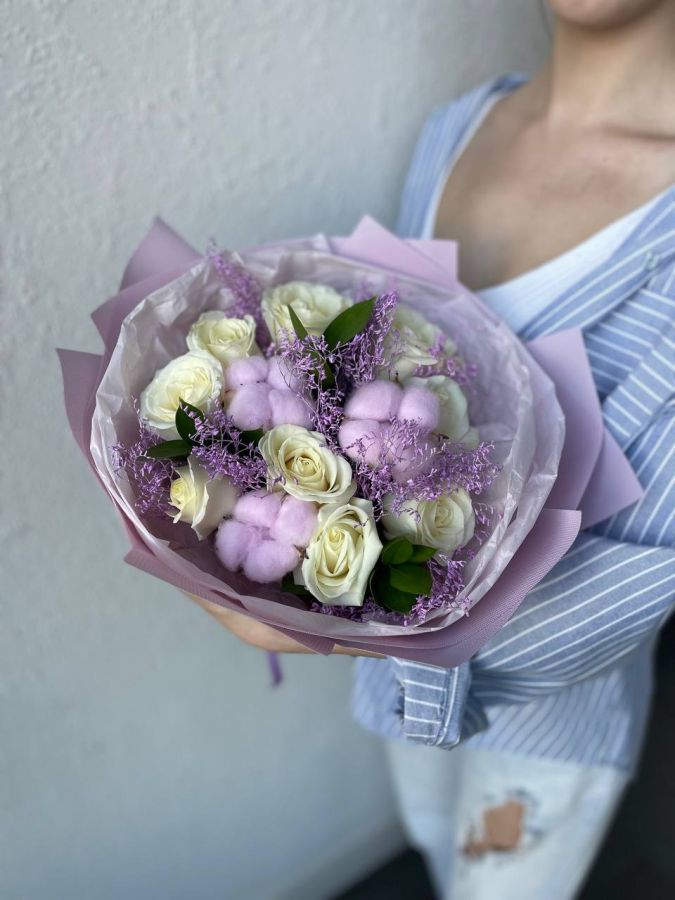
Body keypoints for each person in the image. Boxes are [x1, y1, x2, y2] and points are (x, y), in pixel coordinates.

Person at [194, 1, 675, 896]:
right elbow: (382, 365)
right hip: (392, 685)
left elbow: (637, 580)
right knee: (425, 834)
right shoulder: (458, 128)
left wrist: (341, 627)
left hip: (546, 726)